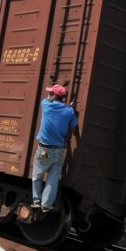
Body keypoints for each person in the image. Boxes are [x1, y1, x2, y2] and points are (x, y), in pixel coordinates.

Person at [32, 84, 79, 212]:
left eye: (50, 93)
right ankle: (46, 205)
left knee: (37, 175)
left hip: (44, 151)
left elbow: (48, 100)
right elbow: (74, 130)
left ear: (53, 95)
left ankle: (36, 201)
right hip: (59, 151)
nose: (48, 95)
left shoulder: (46, 105)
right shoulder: (69, 112)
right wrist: (71, 108)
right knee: (53, 179)